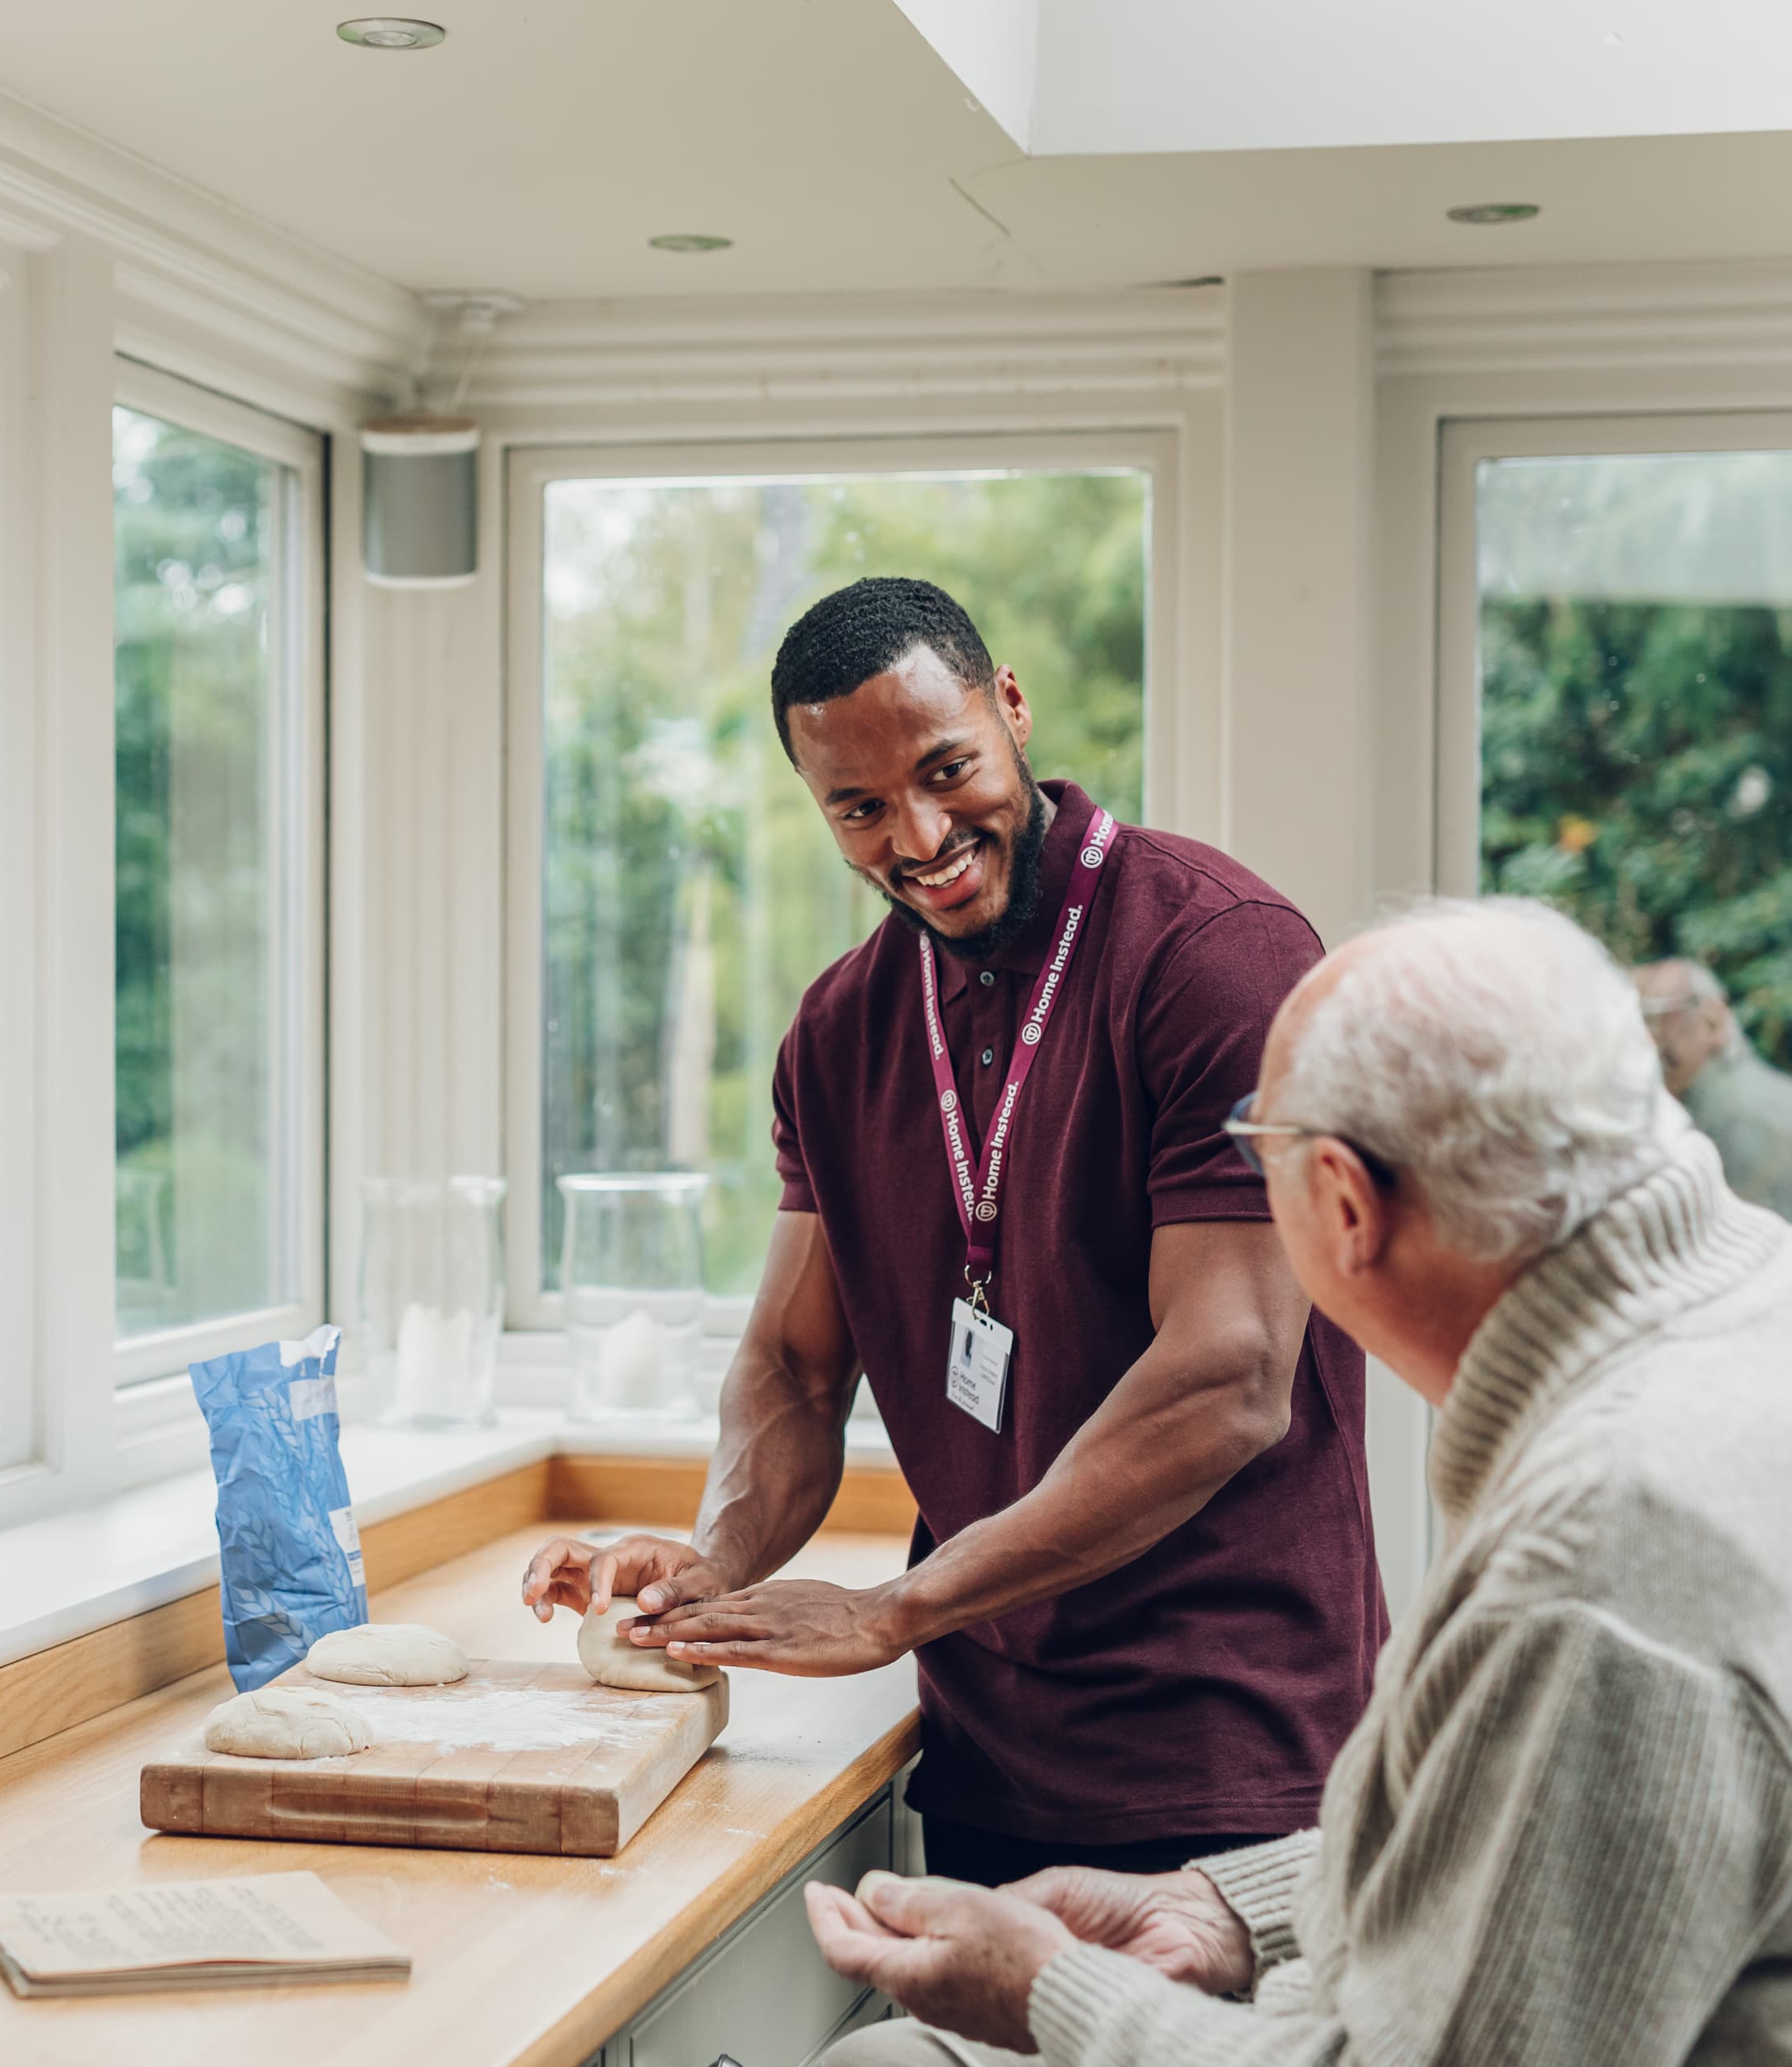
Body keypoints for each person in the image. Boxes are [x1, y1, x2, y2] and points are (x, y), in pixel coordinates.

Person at [801, 898, 1792, 2067]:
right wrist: (1228, 1906)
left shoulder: (1613, 1551)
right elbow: (1558, 1833)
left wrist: (1050, 1991)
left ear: (1345, 1206)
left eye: (1260, 1145)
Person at [520, 576, 1386, 1887]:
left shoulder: (1216, 955)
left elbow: (1233, 1379)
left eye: (947, 769)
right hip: (989, 1759)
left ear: (1014, 710)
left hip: (1235, 1766)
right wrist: (713, 1567)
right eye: (858, 808)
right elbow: (799, 1370)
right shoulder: (834, 1034)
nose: (919, 835)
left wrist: (892, 1609)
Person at [1634, 956, 1792, 1256]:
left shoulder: (1737, 1111)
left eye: (1657, 1017)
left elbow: (1747, 1254)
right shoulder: (1728, 1099)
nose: (1647, 1037)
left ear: (1713, 1019)